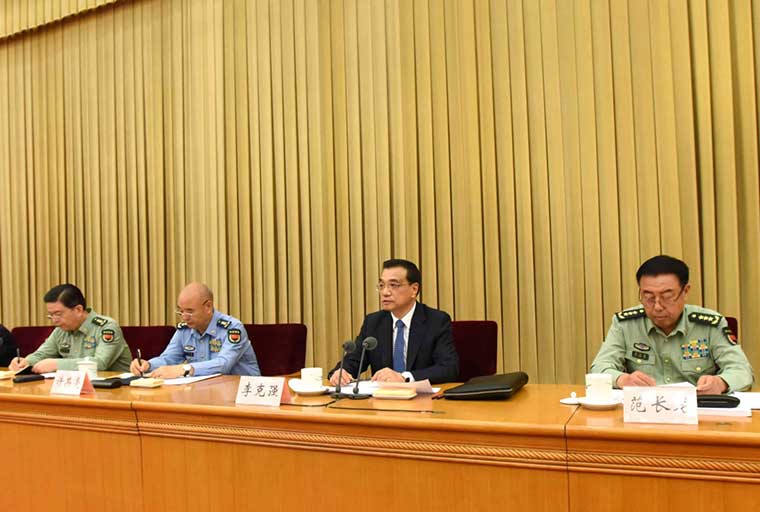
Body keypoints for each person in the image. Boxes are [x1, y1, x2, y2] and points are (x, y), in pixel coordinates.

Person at [590, 255, 753, 394]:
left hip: (698, 411)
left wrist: (720, 382)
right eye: (648, 297)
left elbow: (742, 371)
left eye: (667, 297)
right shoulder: (625, 324)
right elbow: (599, 367)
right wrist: (622, 379)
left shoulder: (710, 324)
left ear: (685, 291)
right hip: (643, 410)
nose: (657, 306)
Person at [328, 259, 459, 385]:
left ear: (414, 289)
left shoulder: (436, 321)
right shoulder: (373, 322)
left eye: (393, 285)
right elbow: (354, 360)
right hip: (382, 397)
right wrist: (341, 372)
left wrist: (404, 377)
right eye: (381, 285)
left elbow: (449, 368)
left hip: (422, 397)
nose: (385, 292)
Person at [130, 282, 260, 378]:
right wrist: (148, 365)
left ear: (208, 306)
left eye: (190, 311)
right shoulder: (184, 329)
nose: (184, 317)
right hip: (206, 391)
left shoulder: (233, 328)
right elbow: (169, 358)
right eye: (181, 311)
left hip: (242, 394)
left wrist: (185, 369)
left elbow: (223, 364)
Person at [9, 284, 132, 373]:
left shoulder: (106, 327)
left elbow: (100, 363)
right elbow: (42, 354)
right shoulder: (61, 329)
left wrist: (56, 364)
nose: (54, 320)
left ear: (78, 310)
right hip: (75, 389)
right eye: (51, 315)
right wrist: (26, 362)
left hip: (114, 390)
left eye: (58, 314)